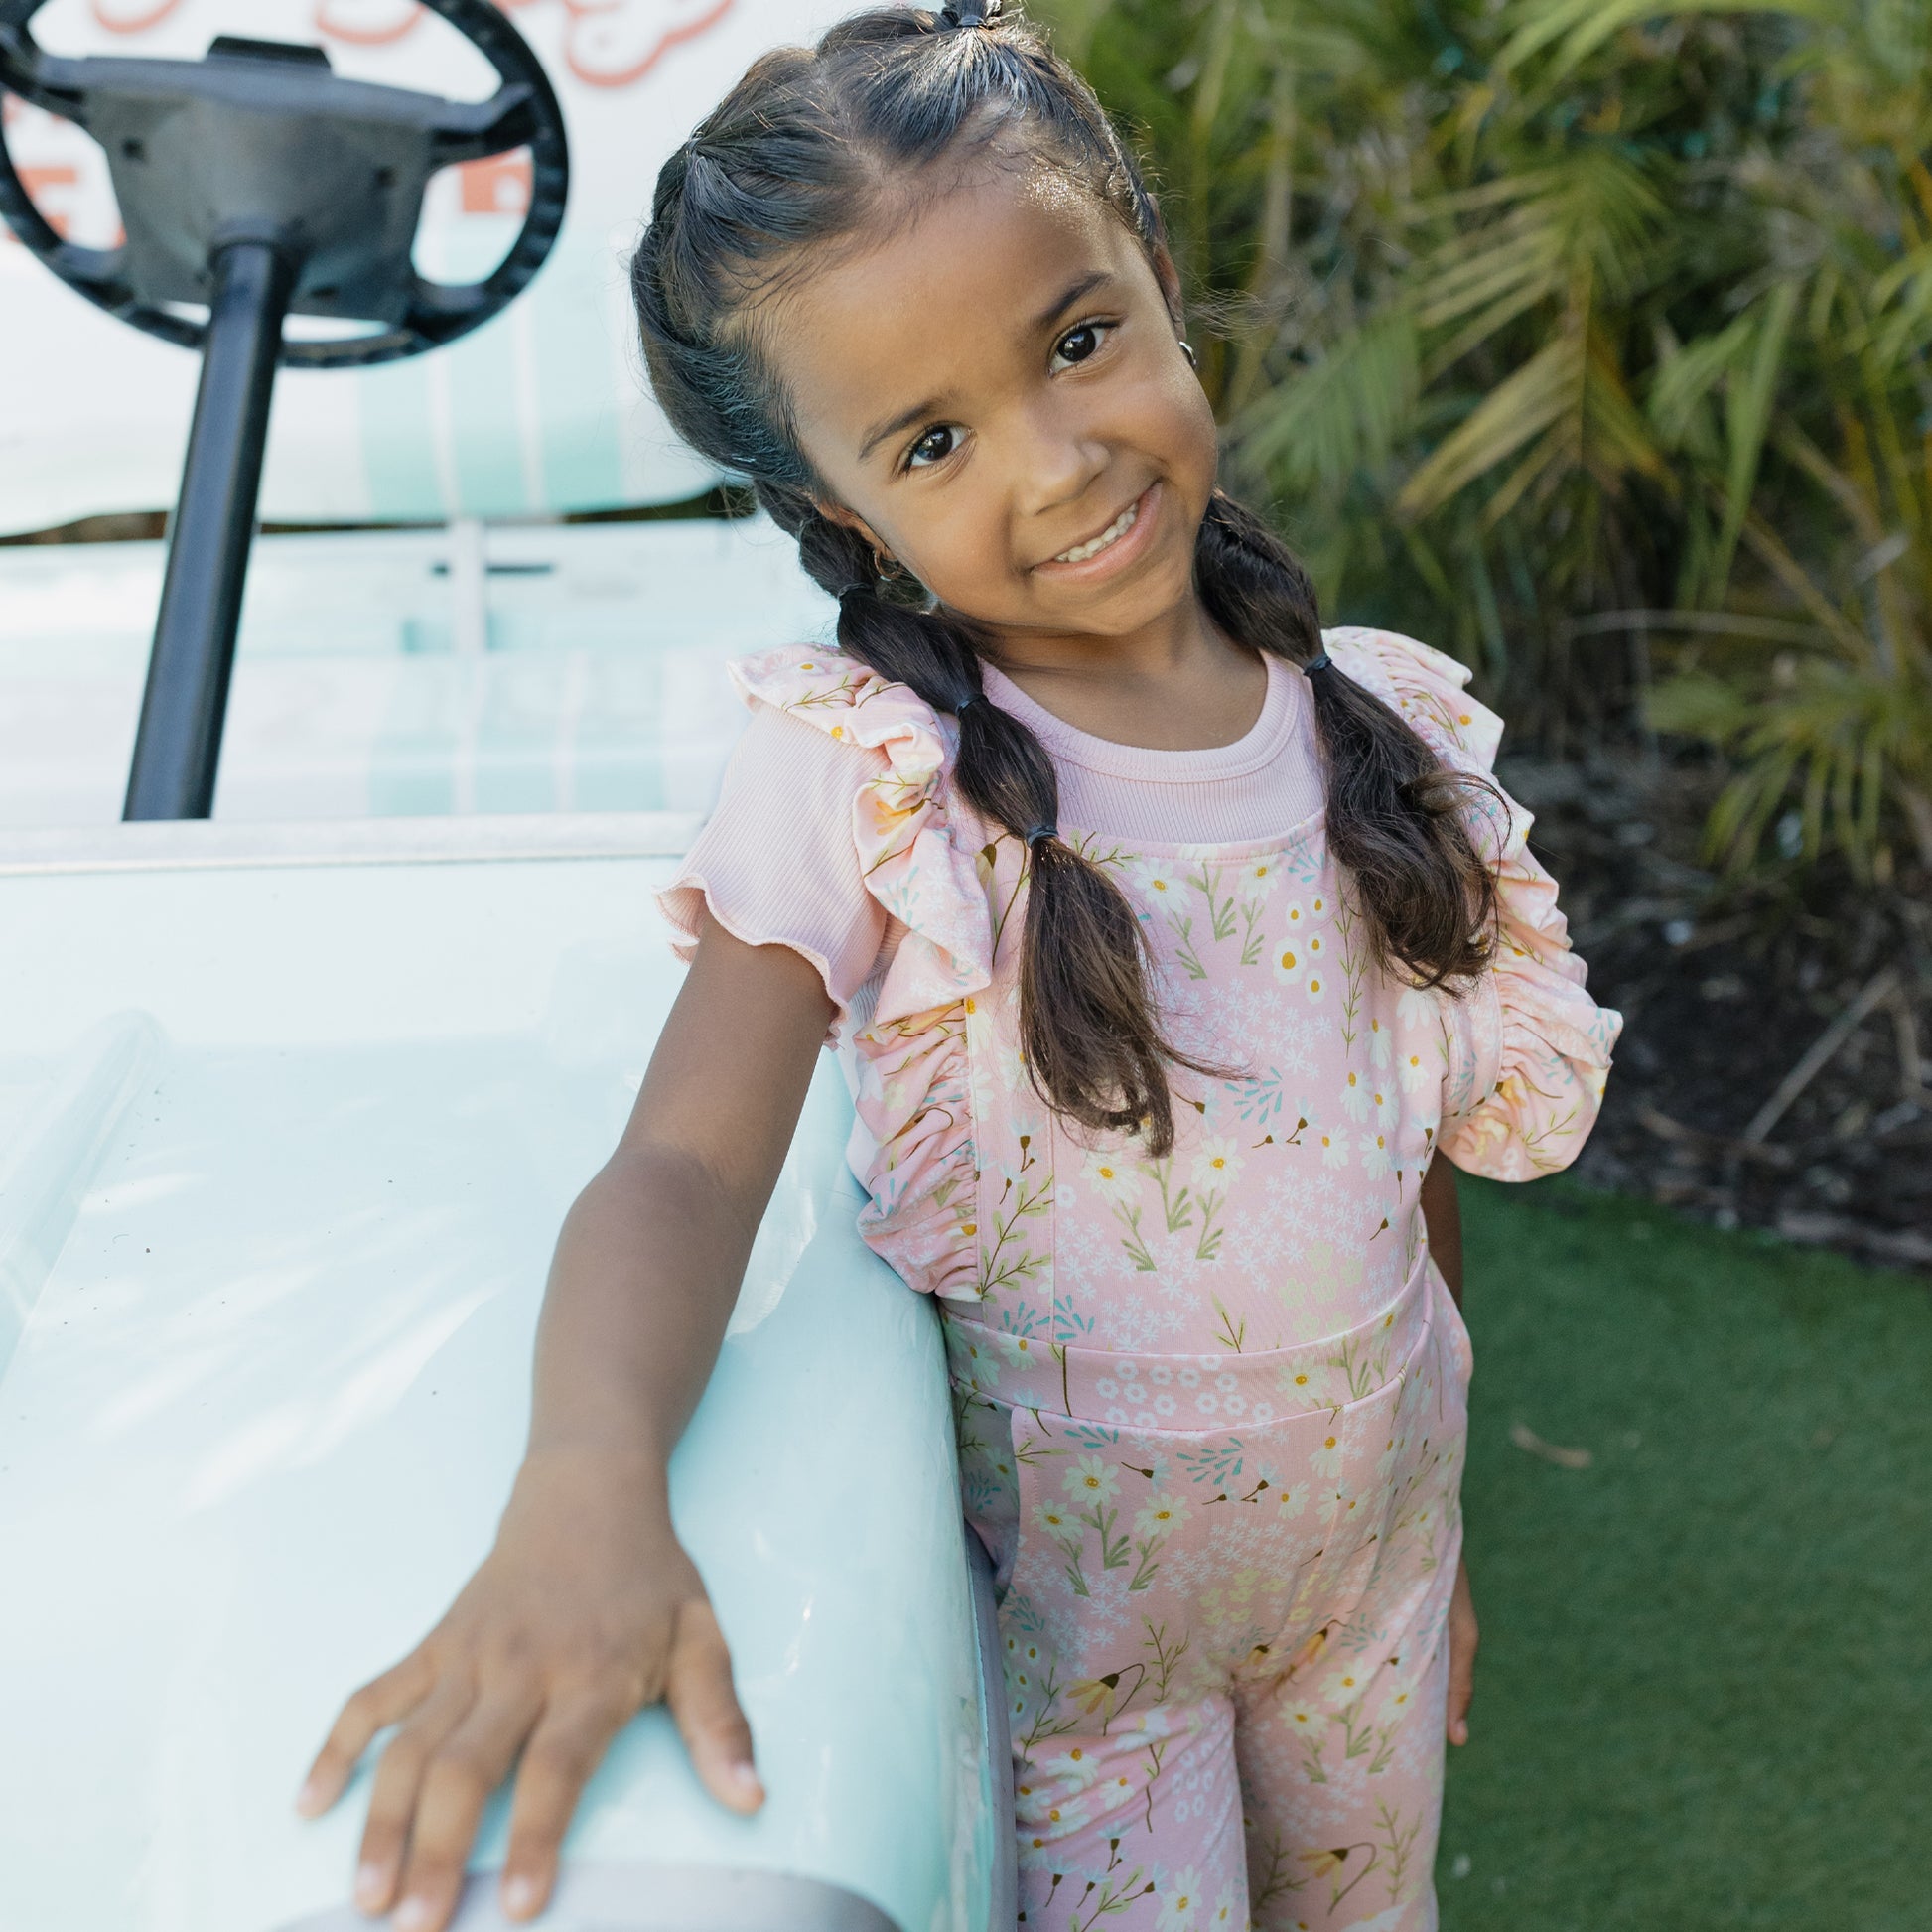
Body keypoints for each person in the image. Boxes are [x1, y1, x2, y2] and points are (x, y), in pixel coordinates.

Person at [297, 6, 1622, 1927]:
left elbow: (1404, 1147)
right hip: (1084, 1670)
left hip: (1370, 1592)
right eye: (934, 439)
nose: (1062, 461)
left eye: (1079, 339)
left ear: (1157, 284)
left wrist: (1438, 1543)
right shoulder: (877, 789)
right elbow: (677, 1164)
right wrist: (586, 1478)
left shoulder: (1374, 724)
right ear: (847, 511)